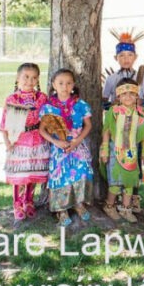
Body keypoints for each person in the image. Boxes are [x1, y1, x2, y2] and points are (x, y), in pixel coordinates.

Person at [40, 68, 93, 228]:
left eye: (68, 83)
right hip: (59, 148)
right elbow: (42, 130)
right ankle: (61, 210)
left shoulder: (80, 104)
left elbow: (88, 125)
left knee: (81, 172)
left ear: (74, 85)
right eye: (61, 83)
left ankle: (78, 203)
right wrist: (56, 142)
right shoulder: (48, 107)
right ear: (54, 85)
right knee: (60, 176)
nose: (65, 86)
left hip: (78, 145)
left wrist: (77, 141)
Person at [0, 62, 49, 221]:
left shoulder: (41, 98)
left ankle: (29, 201)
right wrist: (7, 142)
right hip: (19, 140)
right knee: (20, 173)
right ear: (17, 78)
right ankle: (17, 203)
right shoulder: (12, 99)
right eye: (26, 77)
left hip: (37, 139)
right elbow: (5, 123)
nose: (30, 81)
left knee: (32, 172)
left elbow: (47, 118)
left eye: (34, 78)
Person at [100, 77, 144, 223]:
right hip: (114, 149)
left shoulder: (141, 113)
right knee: (115, 183)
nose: (128, 97)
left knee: (129, 182)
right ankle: (109, 206)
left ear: (137, 95)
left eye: (131, 93)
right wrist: (104, 150)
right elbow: (107, 131)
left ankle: (126, 209)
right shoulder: (114, 111)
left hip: (132, 152)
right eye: (124, 94)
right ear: (118, 96)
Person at [101, 28, 144, 109]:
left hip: (138, 118)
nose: (126, 59)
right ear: (115, 58)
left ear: (135, 57)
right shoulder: (110, 79)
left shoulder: (142, 77)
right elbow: (103, 103)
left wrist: (141, 102)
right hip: (117, 118)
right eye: (121, 55)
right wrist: (113, 104)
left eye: (130, 55)